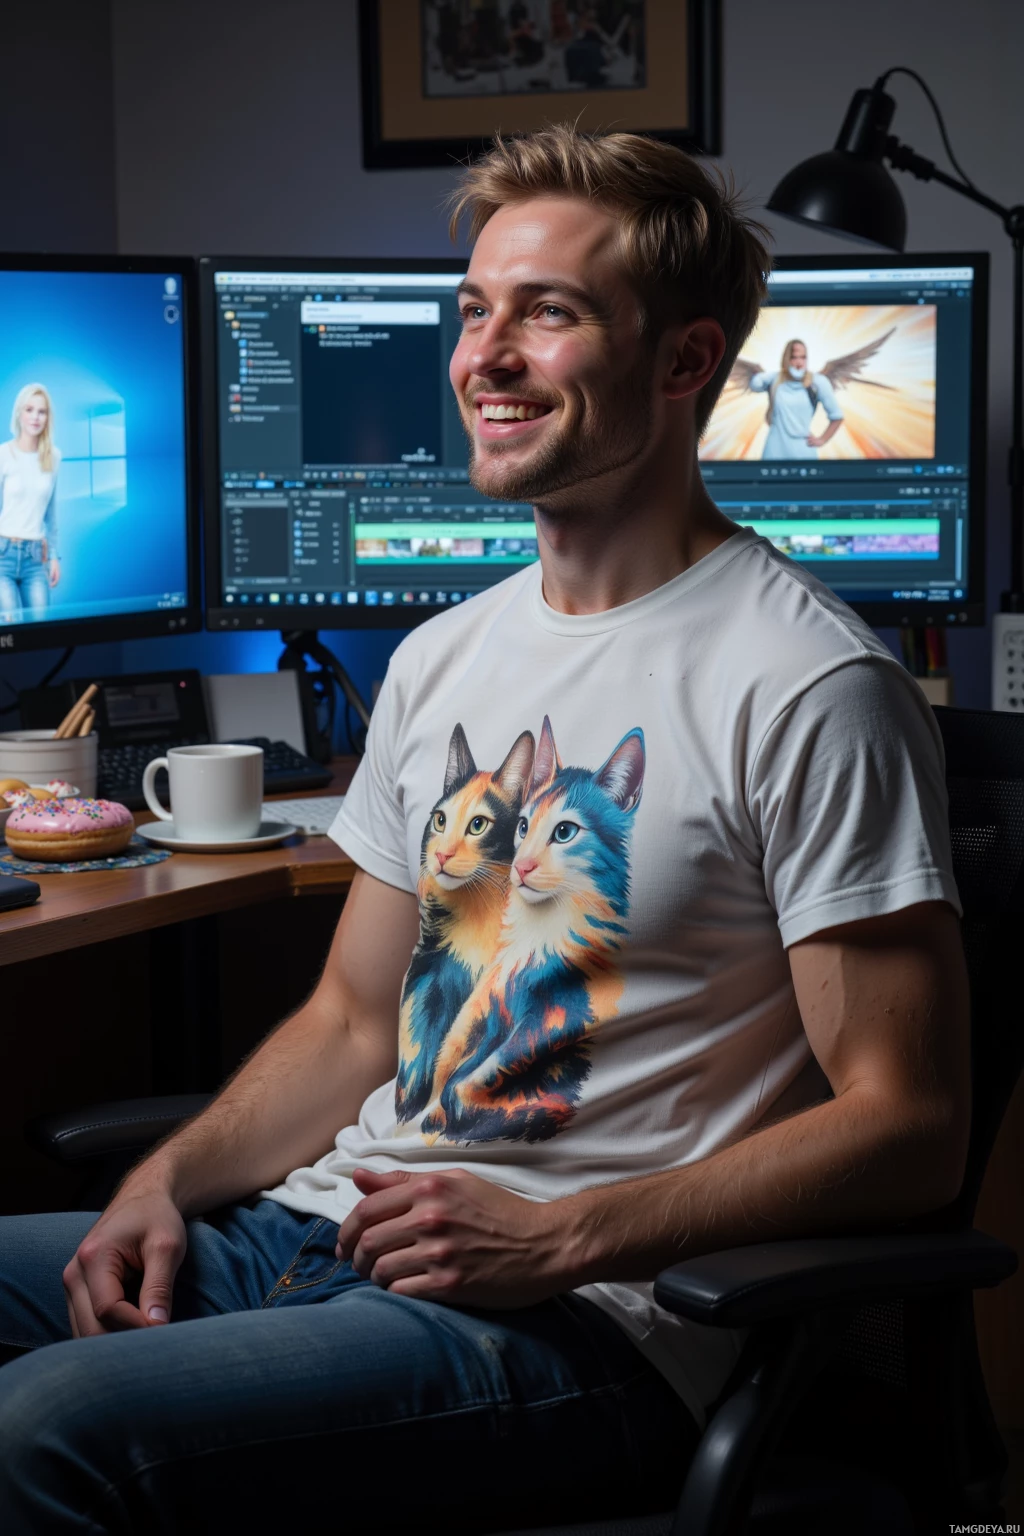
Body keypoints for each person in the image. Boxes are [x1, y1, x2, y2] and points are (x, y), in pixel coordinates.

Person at [0, 126, 970, 1533]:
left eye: (551, 314)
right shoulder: (444, 658)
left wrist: (561, 1233)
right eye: (476, 310)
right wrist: (162, 1183)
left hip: (576, 1318)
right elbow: (346, 1024)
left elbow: (912, 1126)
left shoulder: (810, 682)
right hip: (322, 1231)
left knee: (42, 1430)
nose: (484, 356)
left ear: (688, 363)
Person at [0, 383, 62, 619]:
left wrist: (54, 556)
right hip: (3, 554)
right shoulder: (3, 454)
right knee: (11, 625)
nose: (35, 417)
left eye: (42, 411)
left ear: (47, 418)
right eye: (29, 409)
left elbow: (51, 514)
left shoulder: (54, 457)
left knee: (40, 627)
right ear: (19, 413)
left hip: (36, 558)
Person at [749, 339, 844, 458]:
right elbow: (755, 384)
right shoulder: (775, 380)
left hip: (803, 450)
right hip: (775, 450)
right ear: (786, 359)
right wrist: (778, 374)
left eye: (803, 357)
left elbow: (836, 416)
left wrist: (822, 439)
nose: (799, 362)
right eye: (794, 357)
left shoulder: (817, 382)